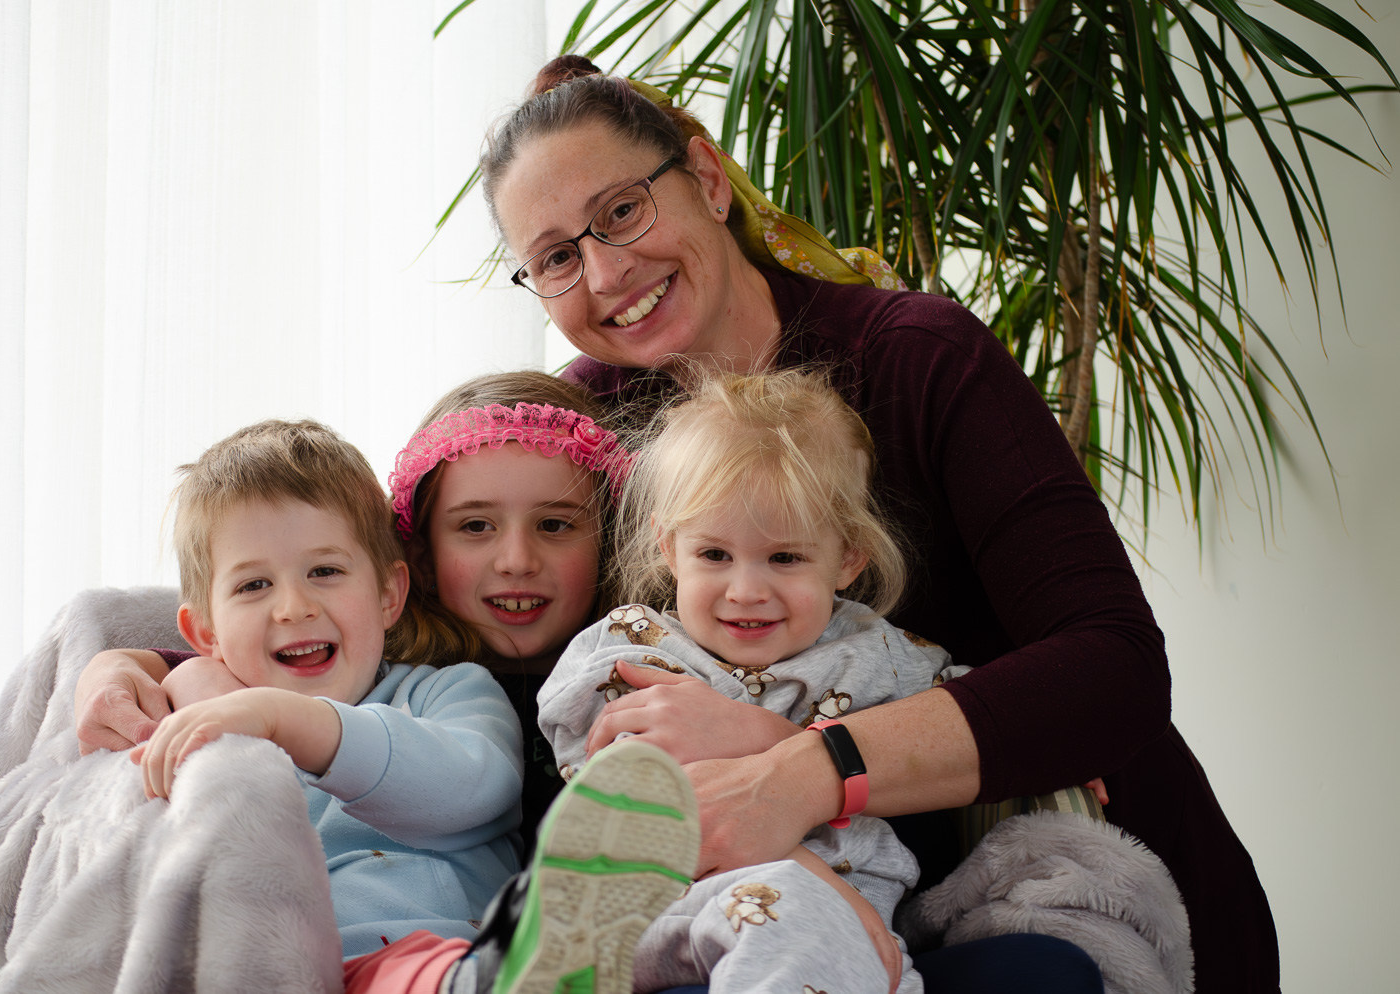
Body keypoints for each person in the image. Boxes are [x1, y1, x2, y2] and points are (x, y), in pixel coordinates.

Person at [476, 54, 1278, 991]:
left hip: (1060, 898)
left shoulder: (920, 358)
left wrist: (799, 763)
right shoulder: (577, 426)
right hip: (784, 924)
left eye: (622, 211)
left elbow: (1114, 668)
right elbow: (459, 593)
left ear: (704, 179)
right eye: (556, 257)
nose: (607, 271)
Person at [539, 369, 959, 994]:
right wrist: (812, 877)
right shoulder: (632, 650)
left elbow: (981, 718)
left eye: (784, 557)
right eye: (714, 555)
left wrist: (1049, 755)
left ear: (848, 556)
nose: (746, 591)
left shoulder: (880, 655)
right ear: (667, 545)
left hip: (845, 939)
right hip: (657, 910)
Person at [138, 417, 524, 969]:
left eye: (324, 570)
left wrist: (292, 720)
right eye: (254, 585)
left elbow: (477, 788)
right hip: (313, 969)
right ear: (206, 634)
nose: (294, 606)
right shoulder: (212, 736)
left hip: (472, 951)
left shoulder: (447, 689)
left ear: (389, 593)